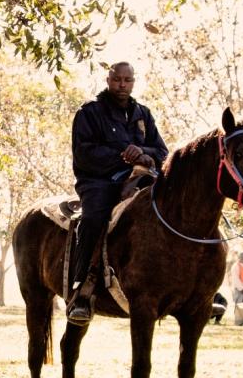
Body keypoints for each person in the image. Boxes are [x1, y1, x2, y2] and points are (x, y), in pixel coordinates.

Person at [67, 62, 169, 325]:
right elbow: (84, 153)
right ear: (108, 79)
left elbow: (162, 152)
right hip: (99, 182)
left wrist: (145, 154)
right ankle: (82, 289)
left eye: (127, 80)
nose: (122, 85)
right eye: (117, 80)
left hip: (140, 178)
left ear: (133, 82)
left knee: (172, 207)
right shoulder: (90, 112)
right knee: (93, 219)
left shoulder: (143, 114)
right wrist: (124, 154)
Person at [229, 251, 243, 324]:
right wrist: (242, 289)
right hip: (239, 290)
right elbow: (235, 279)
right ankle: (238, 321)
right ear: (241, 257)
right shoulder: (236, 266)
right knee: (239, 305)